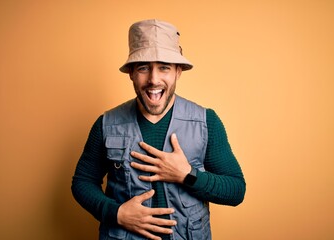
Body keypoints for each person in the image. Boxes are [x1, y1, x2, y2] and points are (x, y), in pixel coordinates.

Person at [71, 19, 246, 240]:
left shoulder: (206, 121)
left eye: (164, 67)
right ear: (131, 73)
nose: (154, 79)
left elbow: (236, 190)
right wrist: (116, 213)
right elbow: (82, 182)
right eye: (144, 68)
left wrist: (187, 175)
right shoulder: (106, 124)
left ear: (178, 72)